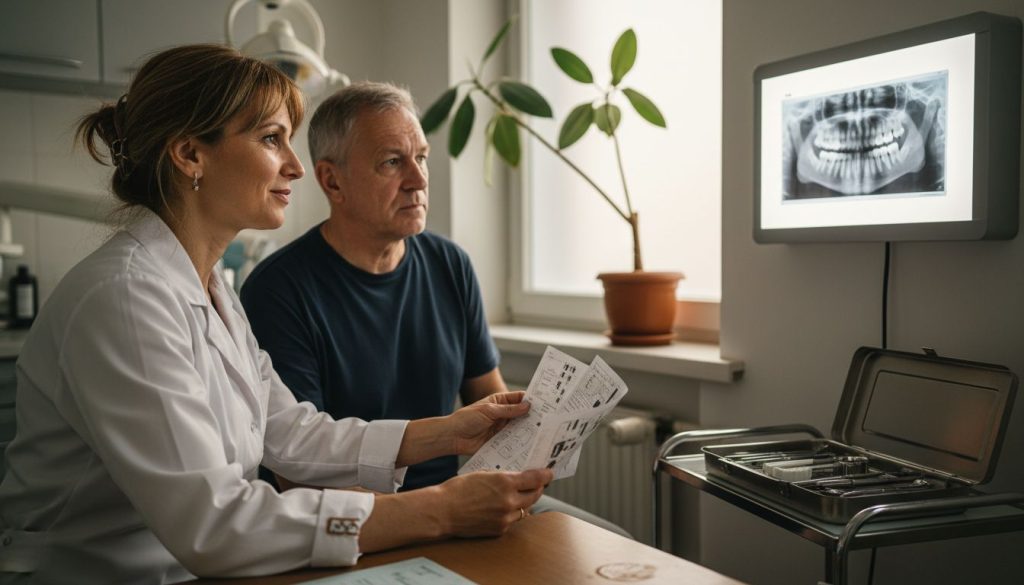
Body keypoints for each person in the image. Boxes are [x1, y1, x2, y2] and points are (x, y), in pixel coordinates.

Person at [0, 45, 551, 585]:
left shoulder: (211, 289)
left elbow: (291, 434)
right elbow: (216, 525)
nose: (294, 165)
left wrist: (447, 432)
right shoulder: (124, 299)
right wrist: (439, 509)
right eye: (270, 139)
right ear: (190, 154)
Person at [240, 82, 629, 537]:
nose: (419, 180)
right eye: (392, 162)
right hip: (359, 524)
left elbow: (495, 406)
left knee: (613, 542)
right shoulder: (277, 291)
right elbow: (298, 473)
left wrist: (532, 457)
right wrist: (436, 514)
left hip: (460, 501)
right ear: (332, 181)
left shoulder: (450, 265)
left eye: (420, 157)